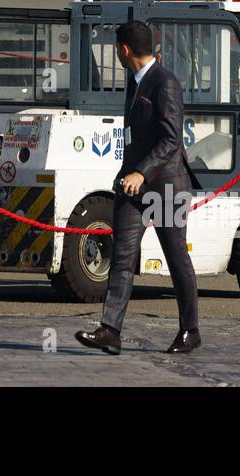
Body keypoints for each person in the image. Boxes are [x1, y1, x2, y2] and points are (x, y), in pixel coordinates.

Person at [76, 20, 201, 356]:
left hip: (167, 187)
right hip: (134, 186)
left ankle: (190, 330)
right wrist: (126, 175)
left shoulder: (165, 83)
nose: (116, 53)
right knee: (123, 255)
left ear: (125, 50)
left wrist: (142, 173)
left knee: (176, 258)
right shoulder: (135, 82)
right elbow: (136, 138)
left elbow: (172, 139)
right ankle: (110, 330)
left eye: (117, 48)